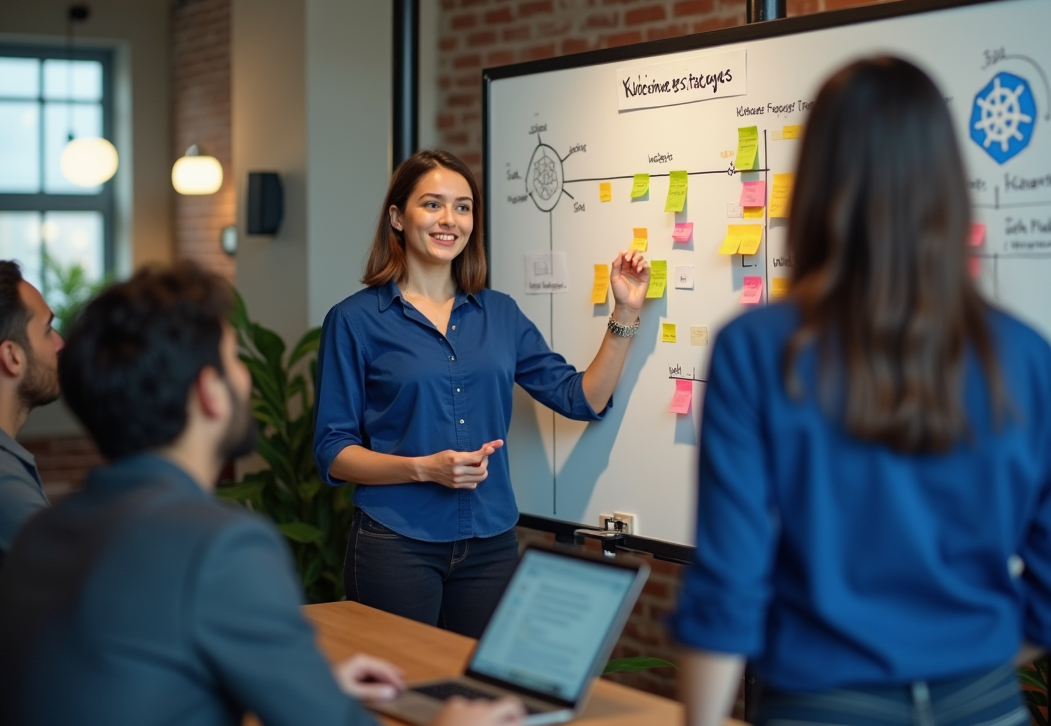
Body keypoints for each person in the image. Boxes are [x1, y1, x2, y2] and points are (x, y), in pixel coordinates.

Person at [672, 57, 1051, 726]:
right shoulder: (1025, 356)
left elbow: (729, 586)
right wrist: (956, 666)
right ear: (946, 181)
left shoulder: (756, 347)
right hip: (984, 707)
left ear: (816, 180)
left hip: (819, 708)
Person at [0, 263, 523, 726]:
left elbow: (140, 671)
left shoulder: (45, 530)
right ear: (209, 392)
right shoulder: (219, 546)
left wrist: (304, 684)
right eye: (234, 360)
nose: (248, 380)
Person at [314, 149, 649, 638]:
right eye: (432, 204)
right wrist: (423, 468)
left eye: (463, 207)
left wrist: (626, 311)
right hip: (396, 542)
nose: (449, 219)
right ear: (398, 217)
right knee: (403, 682)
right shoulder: (354, 321)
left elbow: (581, 399)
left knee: (481, 683)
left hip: (491, 544)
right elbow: (333, 450)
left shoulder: (500, 314)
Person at [0, 260, 63, 567]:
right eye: (47, 330)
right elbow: (74, 583)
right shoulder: (4, 483)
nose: (60, 342)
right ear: (12, 356)